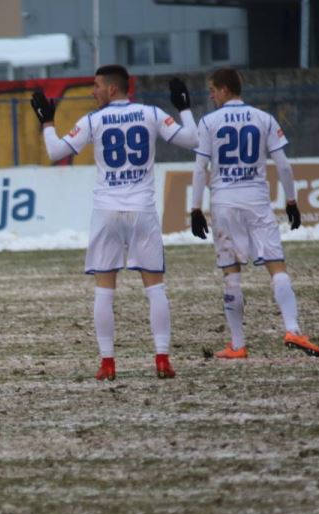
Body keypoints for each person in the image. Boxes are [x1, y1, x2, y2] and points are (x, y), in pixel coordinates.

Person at [32, 65, 198, 380]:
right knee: (155, 287)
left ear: (112, 89)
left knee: (104, 291)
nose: (92, 91)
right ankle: (162, 359)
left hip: (106, 211)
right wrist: (185, 108)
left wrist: (48, 122)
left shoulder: (94, 120)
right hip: (142, 211)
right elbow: (192, 139)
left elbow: (54, 151)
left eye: (96, 86)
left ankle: (107, 363)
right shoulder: (150, 113)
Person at [189, 68, 319, 359]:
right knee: (276, 266)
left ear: (225, 90)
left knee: (231, 273)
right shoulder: (264, 118)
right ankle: (293, 329)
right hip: (257, 202)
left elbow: (200, 168)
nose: (210, 96)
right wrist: (291, 201)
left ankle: (238, 345)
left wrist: (195, 208)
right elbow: (284, 165)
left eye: (212, 90)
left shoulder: (209, 122)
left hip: (224, 203)